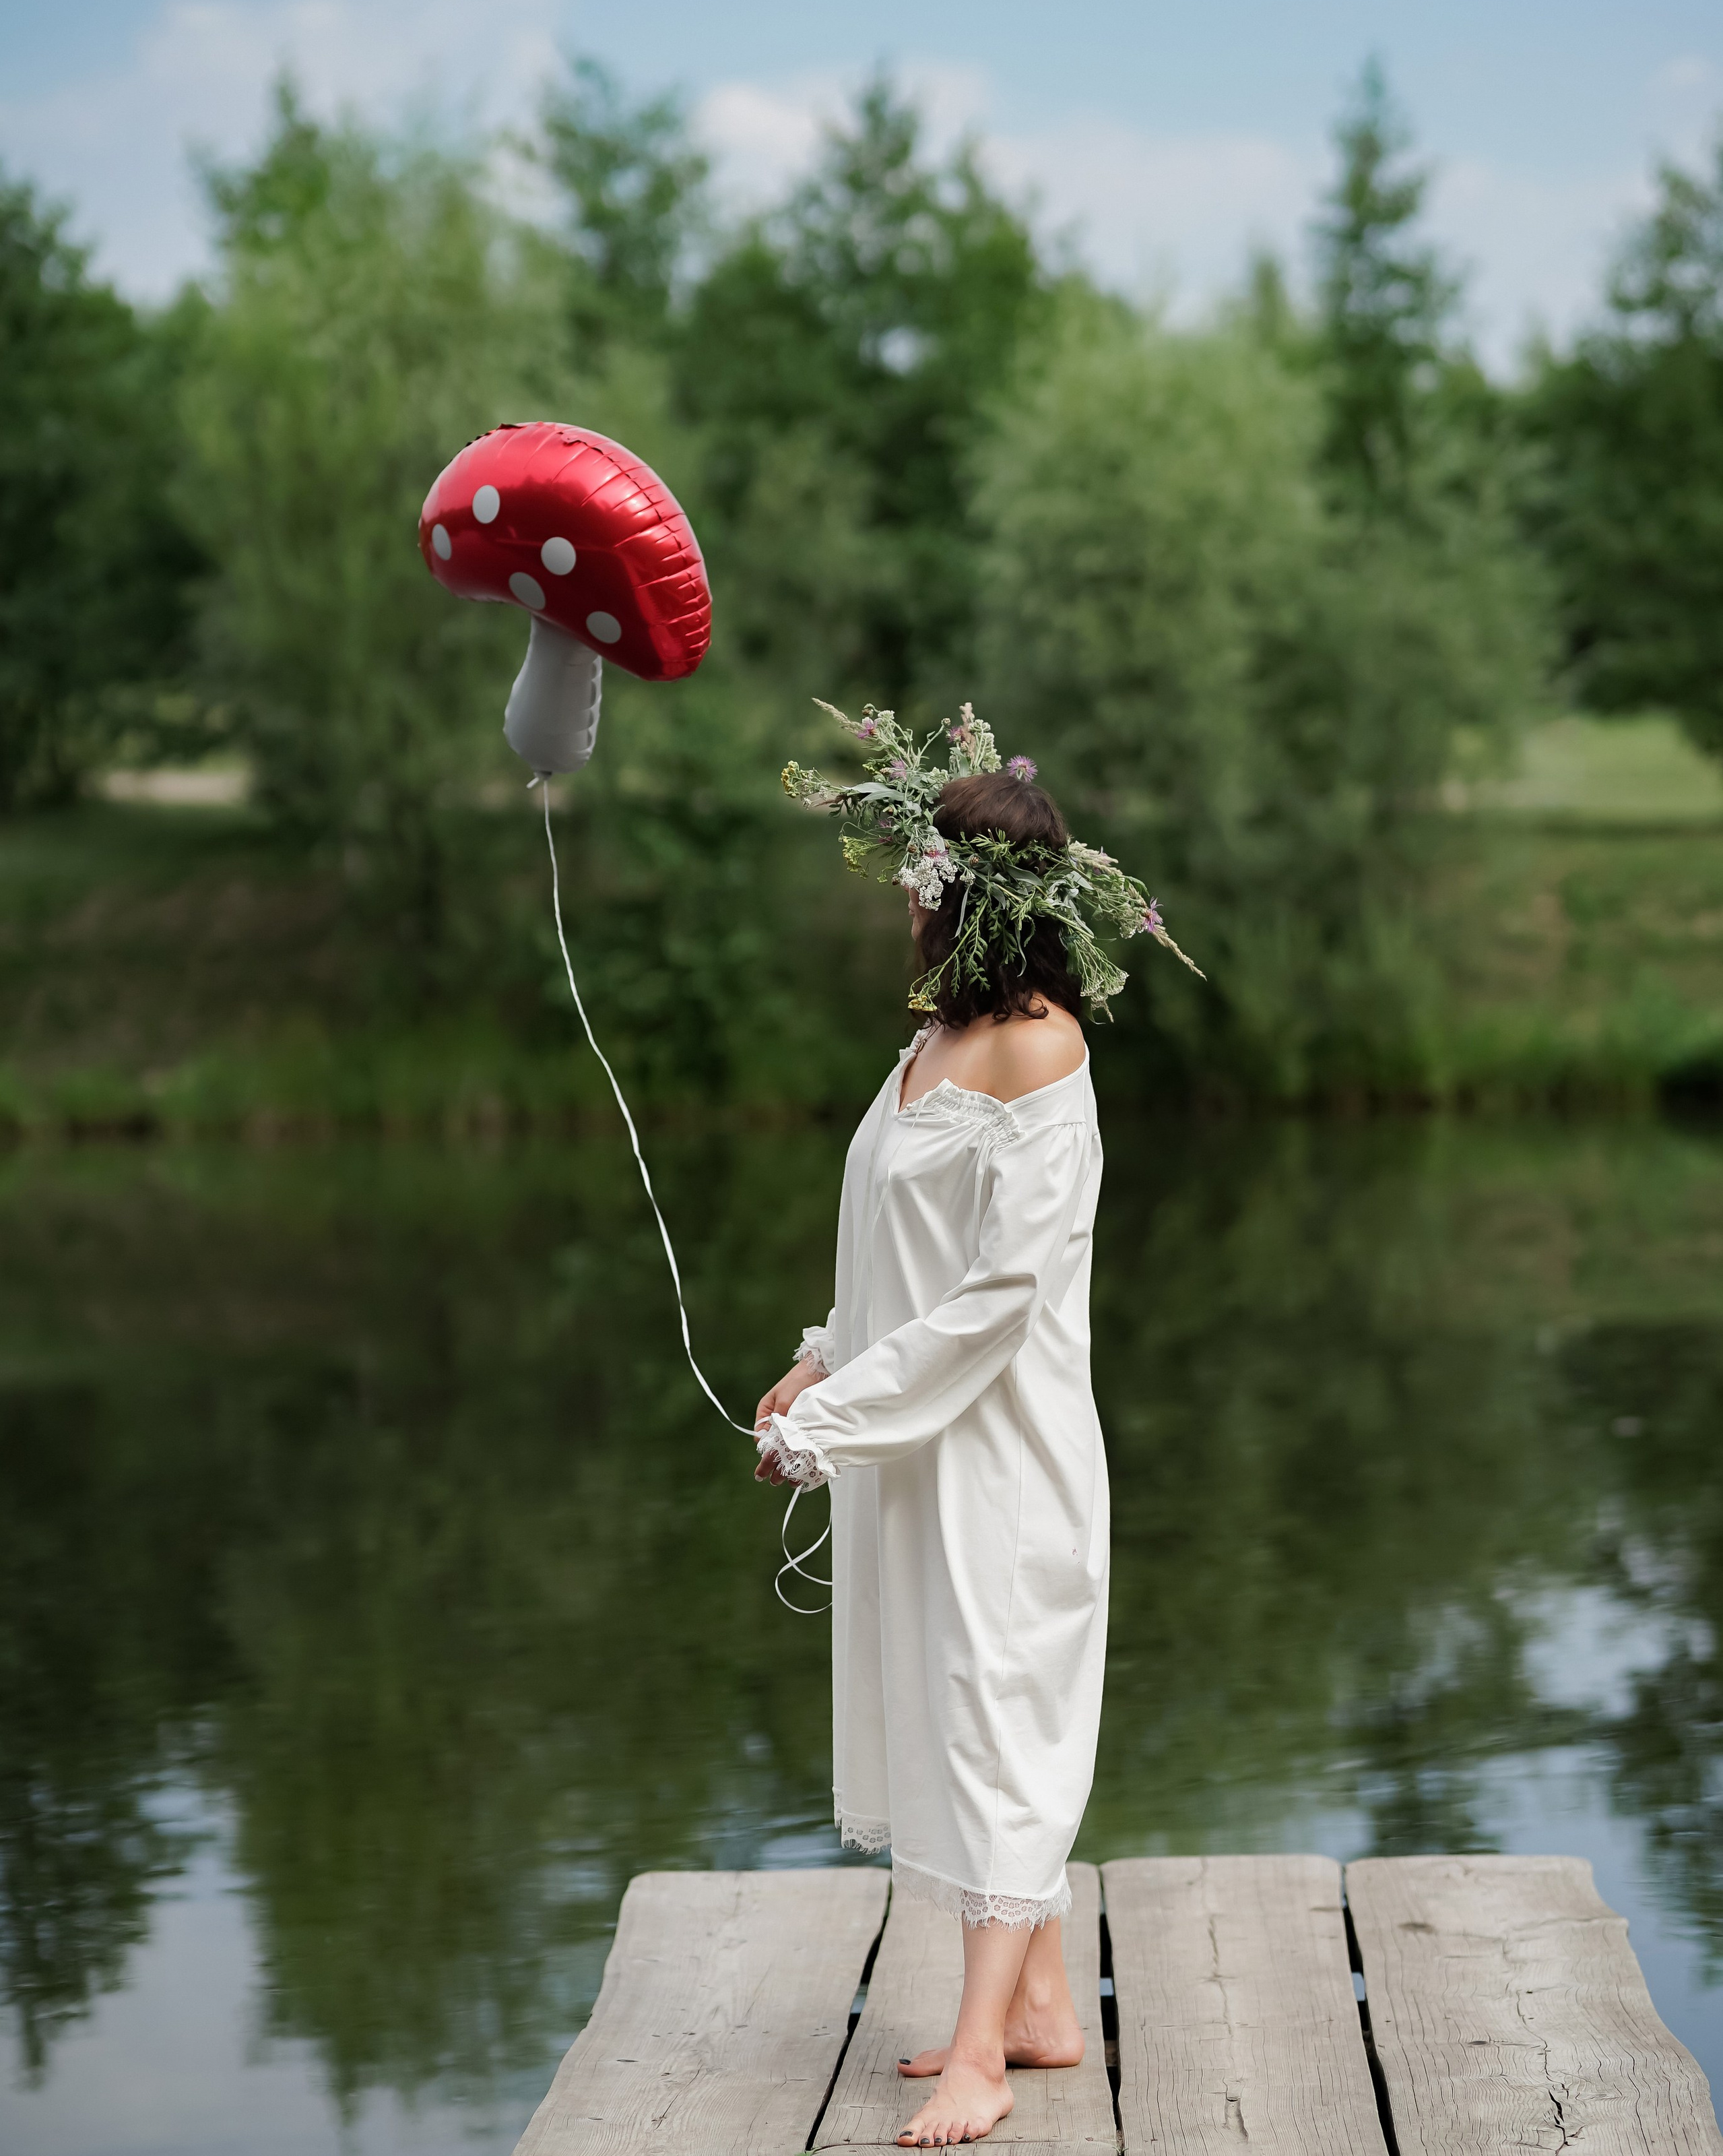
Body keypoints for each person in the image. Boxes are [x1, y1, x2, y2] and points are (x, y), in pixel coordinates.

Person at [752, 701, 1199, 2147]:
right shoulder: (937, 1039)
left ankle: (976, 2059)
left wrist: (847, 1420)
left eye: (919, 869)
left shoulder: (1041, 1053)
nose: (900, 892)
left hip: (1001, 1452)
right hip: (915, 1442)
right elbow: (889, 1256)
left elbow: (1000, 1297)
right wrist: (818, 1366)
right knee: (948, 1713)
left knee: (998, 1720)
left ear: (975, 891)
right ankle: (1046, 2014)